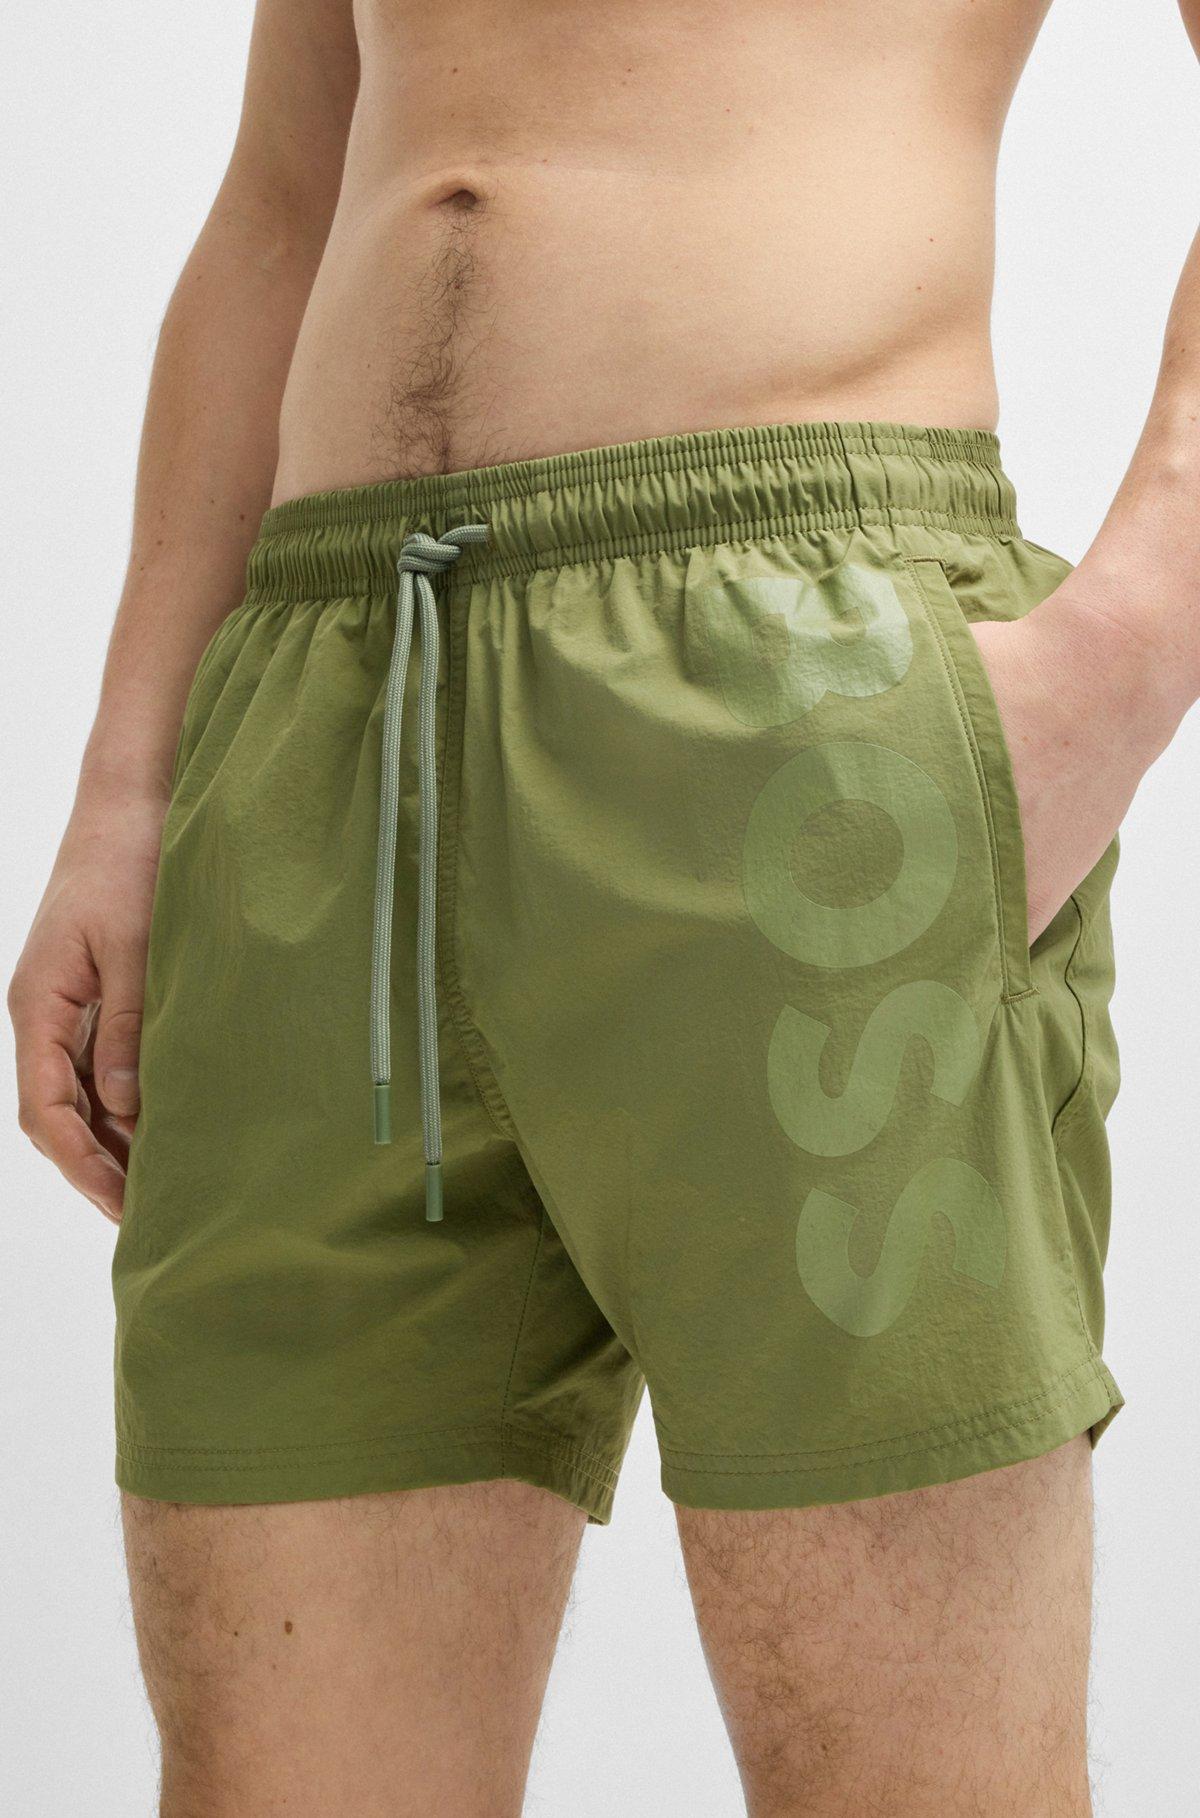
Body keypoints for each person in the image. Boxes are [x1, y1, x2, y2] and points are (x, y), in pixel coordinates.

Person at [9, 1, 1199, 1811]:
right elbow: (281, 195)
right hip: (324, 730)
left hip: (801, 716)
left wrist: (1121, 661)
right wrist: (127, 789)